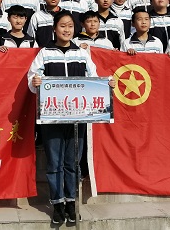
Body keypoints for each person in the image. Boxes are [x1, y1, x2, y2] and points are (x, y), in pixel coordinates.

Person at [28, 11, 113, 224]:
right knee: (54, 162)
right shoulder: (44, 53)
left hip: (77, 118)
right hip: (51, 117)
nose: (67, 30)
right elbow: (32, 79)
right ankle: (57, 204)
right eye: (62, 26)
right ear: (54, 28)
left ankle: (71, 203)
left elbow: (93, 77)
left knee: (72, 162)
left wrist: (106, 84)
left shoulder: (81, 53)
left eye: (70, 26)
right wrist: (35, 82)